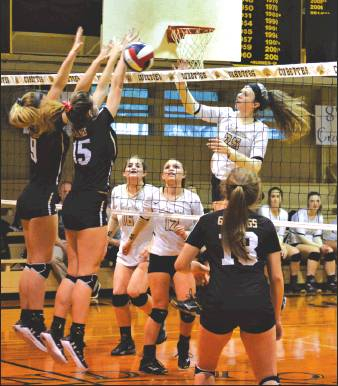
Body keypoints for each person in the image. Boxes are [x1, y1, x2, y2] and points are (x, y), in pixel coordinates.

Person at [40, 31, 138, 370]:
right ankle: (75, 338)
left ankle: (55, 329)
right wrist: (123, 58)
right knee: (86, 275)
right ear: (92, 111)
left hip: (72, 203)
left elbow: (88, 92)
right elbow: (115, 89)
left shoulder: (75, 123)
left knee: (72, 274)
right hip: (94, 201)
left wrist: (111, 56)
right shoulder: (100, 125)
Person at [8, 27, 84, 352]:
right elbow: (66, 82)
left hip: (28, 195)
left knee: (31, 261)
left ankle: (26, 318)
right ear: (44, 106)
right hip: (44, 196)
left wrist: (75, 52)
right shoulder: (49, 122)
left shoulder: (35, 124)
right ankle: (34, 322)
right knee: (39, 261)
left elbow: (59, 85)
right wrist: (76, 51)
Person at [175, 167, 283, 386]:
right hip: (257, 303)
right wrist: (276, 319)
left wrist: (196, 268)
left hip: (219, 302)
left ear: (225, 190)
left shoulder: (207, 221)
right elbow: (277, 278)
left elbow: (180, 265)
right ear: (257, 194)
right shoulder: (265, 225)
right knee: (268, 378)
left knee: (204, 370)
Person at [174, 66, 311, 209]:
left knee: (235, 223)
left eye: (245, 94)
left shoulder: (260, 129)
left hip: (241, 184)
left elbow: (255, 166)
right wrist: (181, 85)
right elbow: (193, 108)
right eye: (240, 92)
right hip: (218, 180)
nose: (239, 94)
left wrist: (228, 152)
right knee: (222, 222)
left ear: (255, 104)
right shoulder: (225, 114)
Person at [123, 159, 204, 375]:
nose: (171, 169)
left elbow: (201, 229)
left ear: (183, 174)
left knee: (187, 308)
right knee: (159, 309)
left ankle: (184, 347)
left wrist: (186, 235)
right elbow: (143, 218)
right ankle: (147, 359)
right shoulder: (153, 196)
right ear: (162, 176)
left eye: (176, 167)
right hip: (159, 256)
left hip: (182, 258)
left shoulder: (192, 199)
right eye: (167, 167)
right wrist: (131, 240)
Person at [108, 155, 166, 356]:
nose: (133, 167)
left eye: (137, 165)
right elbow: (114, 217)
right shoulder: (117, 191)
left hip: (148, 249)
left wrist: (150, 245)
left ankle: (158, 321)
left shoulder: (153, 192)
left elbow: (161, 223)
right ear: (124, 173)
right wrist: (107, 236)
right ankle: (126, 342)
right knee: (117, 295)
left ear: (144, 173)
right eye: (129, 165)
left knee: (137, 294)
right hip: (125, 249)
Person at [289, 192, 337, 294]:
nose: (315, 203)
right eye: (312, 201)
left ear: (320, 203)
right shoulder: (300, 214)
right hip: (296, 243)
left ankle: (331, 283)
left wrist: (322, 246)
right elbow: (301, 237)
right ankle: (309, 283)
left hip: (312, 244)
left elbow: (317, 237)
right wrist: (319, 246)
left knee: (329, 250)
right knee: (315, 251)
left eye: (317, 201)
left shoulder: (319, 216)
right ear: (308, 202)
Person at [259, 187, 303, 293]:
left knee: (295, 253)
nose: (275, 199)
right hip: (265, 241)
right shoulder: (264, 210)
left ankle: (293, 284)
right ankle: (267, 286)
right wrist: (280, 246)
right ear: (269, 199)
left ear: (281, 199)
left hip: (279, 241)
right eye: (273, 196)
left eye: (277, 196)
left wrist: (282, 246)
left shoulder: (284, 213)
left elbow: (281, 234)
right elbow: (269, 234)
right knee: (271, 255)